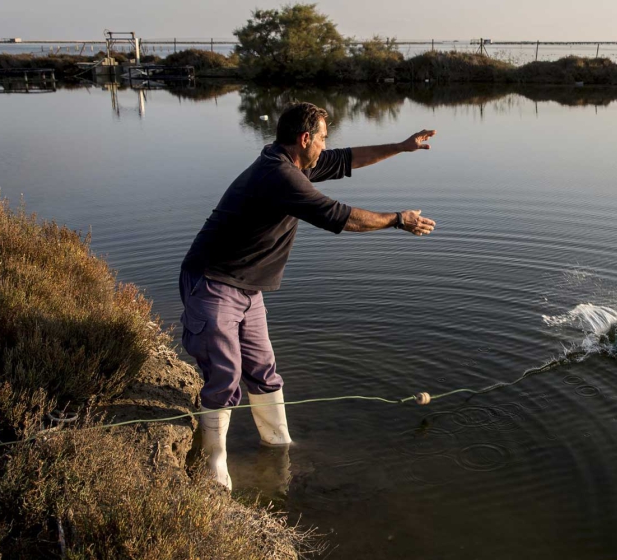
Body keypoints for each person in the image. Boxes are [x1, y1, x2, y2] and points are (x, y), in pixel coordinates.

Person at [179, 101, 437, 490]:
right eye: (321, 138)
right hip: (213, 282)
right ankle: (215, 468)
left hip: (248, 287)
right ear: (304, 139)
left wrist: (401, 146)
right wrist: (397, 220)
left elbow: (348, 158)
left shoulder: (293, 161)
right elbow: (341, 216)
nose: (325, 146)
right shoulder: (279, 176)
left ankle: (277, 446)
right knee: (225, 376)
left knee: (264, 372)